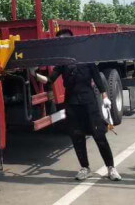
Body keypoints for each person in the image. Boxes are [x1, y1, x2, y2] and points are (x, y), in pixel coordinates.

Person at [31, 29, 122, 182]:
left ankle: (111, 168)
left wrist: (105, 96)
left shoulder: (86, 57)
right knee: (77, 136)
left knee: (99, 134)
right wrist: (34, 74)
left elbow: (97, 78)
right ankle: (85, 168)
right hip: (72, 102)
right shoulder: (62, 62)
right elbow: (50, 80)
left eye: (62, 40)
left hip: (89, 102)